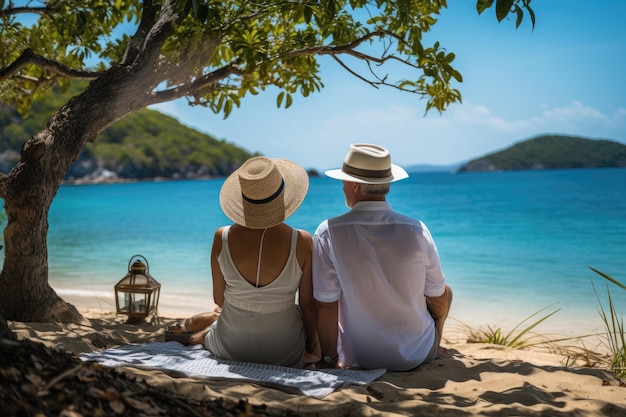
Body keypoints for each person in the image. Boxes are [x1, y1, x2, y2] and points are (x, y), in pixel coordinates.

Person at [313, 143, 452, 371]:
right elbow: (437, 297)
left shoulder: (328, 232)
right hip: (415, 357)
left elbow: (325, 306)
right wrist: (434, 332)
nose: (342, 188)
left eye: (344, 182)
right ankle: (433, 345)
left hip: (359, 358)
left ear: (355, 185)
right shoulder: (417, 230)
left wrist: (329, 359)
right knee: (446, 292)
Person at [185, 156, 318, 368]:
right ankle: (205, 327)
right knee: (297, 312)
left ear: (243, 197)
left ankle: (201, 331)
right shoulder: (301, 241)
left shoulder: (223, 237)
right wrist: (313, 345)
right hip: (283, 351)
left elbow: (219, 298)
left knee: (214, 319)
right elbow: (307, 304)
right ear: (283, 196)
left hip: (231, 347)